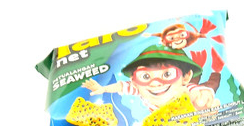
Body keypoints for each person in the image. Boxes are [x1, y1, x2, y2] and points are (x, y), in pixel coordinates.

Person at [82, 45, 221, 112]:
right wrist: (103, 89)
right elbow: (121, 86)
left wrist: (204, 96)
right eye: (146, 76)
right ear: (135, 81)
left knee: (210, 84)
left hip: (186, 88)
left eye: (166, 74)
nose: (155, 83)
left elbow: (198, 93)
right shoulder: (141, 89)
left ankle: (216, 70)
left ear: (185, 77)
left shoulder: (184, 90)